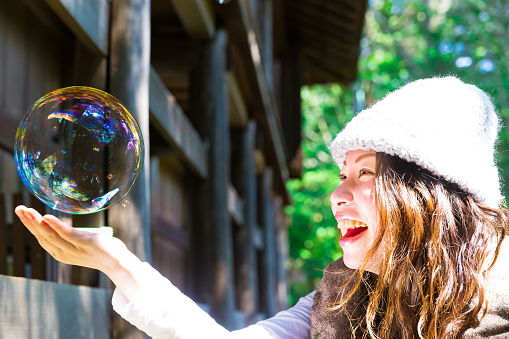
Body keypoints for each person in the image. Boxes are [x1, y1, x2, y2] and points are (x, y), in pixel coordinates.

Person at [15, 76, 509, 338]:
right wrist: (117, 263)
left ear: (427, 195)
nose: (338, 196)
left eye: (367, 174)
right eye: (342, 175)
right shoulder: (337, 299)